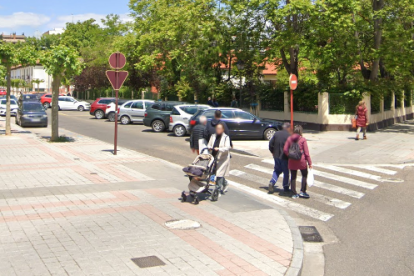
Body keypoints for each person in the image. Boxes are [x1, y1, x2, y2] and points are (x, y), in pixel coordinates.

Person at [283, 125, 312, 199]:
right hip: (301, 161)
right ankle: (303, 191)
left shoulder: (289, 139)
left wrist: (289, 155)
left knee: (293, 176)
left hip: (292, 160)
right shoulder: (302, 139)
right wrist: (310, 163)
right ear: (300, 131)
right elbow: (306, 153)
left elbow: (285, 150)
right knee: (304, 175)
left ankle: (294, 193)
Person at [208, 123, 231, 194]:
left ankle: (217, 190)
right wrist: (209, 147)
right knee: (214, 172)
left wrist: (219, 149)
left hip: (222, 158)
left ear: (223, 129)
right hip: (213, 156)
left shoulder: (226, 137)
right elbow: (209, 144)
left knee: (219, 174)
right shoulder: (213, 136)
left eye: (220, 128)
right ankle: (225, 183)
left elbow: (227, 147)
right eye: (217, 128)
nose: (218, 130)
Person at [268, 123, 291, 193]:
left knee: (277, 170)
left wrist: (272, 151)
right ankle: (286, 186)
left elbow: (270, 144)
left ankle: (272, 182)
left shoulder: (276, 134)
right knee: (286, 172)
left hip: (276, 155)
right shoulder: (289, 136)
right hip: (284, 157)